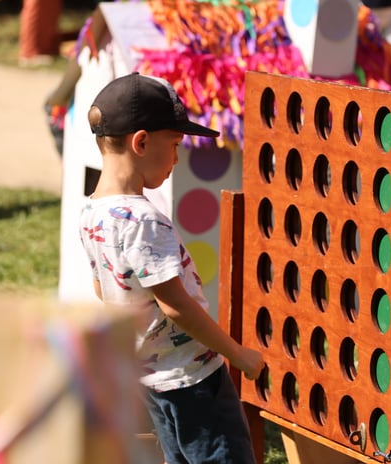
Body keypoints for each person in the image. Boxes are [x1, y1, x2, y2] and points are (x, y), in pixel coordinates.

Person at [79, 73, 266, 463]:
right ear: (142, 142)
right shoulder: (145, 219)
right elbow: (175, 305)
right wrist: (238, 354)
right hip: (194, 378)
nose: (178, 158)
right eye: (175, 144)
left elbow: (104, 291)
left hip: (150, 375)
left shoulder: (92, 212)